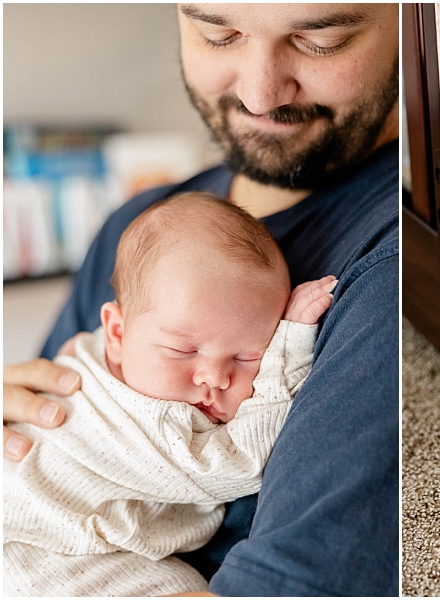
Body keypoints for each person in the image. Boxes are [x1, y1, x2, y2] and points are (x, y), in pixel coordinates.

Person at [3, 3, 399, 597]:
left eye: (322, 41)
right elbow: (39, 412)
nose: (261, 93)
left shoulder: (389, 265)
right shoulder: (131, 226)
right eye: (219, 34)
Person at [5, 193, 337, 597]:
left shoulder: (95, 351)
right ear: (116, 333)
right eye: (183, 351)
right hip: (46, 551)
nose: (214, 377)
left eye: (250, 357)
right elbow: (242, 465)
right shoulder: (156, 419)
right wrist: (288, 346)